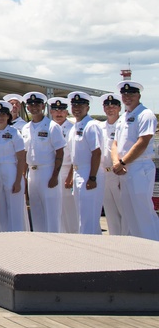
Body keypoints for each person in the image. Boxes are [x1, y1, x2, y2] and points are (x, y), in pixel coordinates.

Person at [111, 81, 159, 240]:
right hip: (124, 168)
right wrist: (117, 162)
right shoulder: (124, 117)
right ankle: (135, 246)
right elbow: (115, 143)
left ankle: (153, 244)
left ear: (139, 95)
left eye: (131, 94)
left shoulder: (145, 114)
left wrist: (122, 162)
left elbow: (142, 142)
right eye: (124, 94)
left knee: (142, 210)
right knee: (128, 211)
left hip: (140, 167)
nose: (127, 97)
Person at [21, 92, 65, 232]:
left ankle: (55, 242)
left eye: (37, 105)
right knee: (36, 211)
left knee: (51, 212)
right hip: (32, 173)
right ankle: (41, 243)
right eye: (31, 105)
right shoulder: (26, 128)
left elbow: (60, 152)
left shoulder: (52, 126)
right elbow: (25, 153)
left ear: (43, 106)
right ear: (28, 107)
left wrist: (54, 176)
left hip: (47, 171)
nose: (34, 107)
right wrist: (24, 176)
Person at [65, 91, 105, 235]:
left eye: (81, 105)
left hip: (89, 172)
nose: (77, 108)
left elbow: (96, 152)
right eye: (74, 105)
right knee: (82, 214)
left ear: (87, 108)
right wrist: (70, 176)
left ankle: (91, 247)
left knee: (89, 216)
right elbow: (73, 155)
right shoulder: (74, 127)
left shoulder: (91, 125)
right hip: (78, 172)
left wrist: (92, 177)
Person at [0, 101, 28, 232]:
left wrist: (18, 181)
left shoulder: (14, 133)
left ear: (8, 116)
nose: (0, 117)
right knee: (0, 207)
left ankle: (17, 236)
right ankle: (3, 235)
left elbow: (21, 158)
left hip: (11, 170)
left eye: (3, 114)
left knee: (14, 208)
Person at [48, 97, 77, 233]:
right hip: (49, 171)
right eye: (55, 110)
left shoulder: (73, 128)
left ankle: (73, 236)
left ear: (67, 112)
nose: (59, 113)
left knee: (69, 209)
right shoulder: (46, 127)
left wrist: (70, 175)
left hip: (66, 171)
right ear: (51, 111)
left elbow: (74, 154)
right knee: (54, 208)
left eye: (62, 110)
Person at [99, 93, 124, 234]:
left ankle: (130, 242)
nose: (110, 108)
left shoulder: (123, 125)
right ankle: (116, 240)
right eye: (107, 106)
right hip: (104, 173)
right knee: (110, 212)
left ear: (119, 108)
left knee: (124, 210)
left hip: (118, 173)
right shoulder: (100, 127)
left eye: (114, 106)